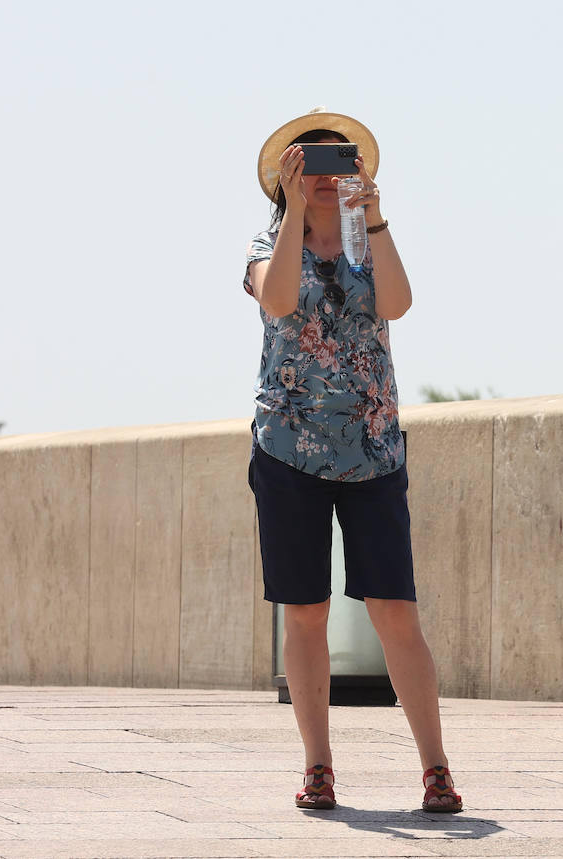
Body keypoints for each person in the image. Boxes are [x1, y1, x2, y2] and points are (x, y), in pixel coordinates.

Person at [243, 108, 462, 812]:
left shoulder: (371, 241)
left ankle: (435, 768)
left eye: (337, 160)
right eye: (306, 162)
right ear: (285, 174)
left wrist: (376, 218)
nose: (323, 172)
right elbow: (277, 299)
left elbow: (397, 302)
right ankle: (318, 767)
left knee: (397, 611)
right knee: (304, 612)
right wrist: (287, 217)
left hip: (372, 451)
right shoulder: (263, 242)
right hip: (288, 449)